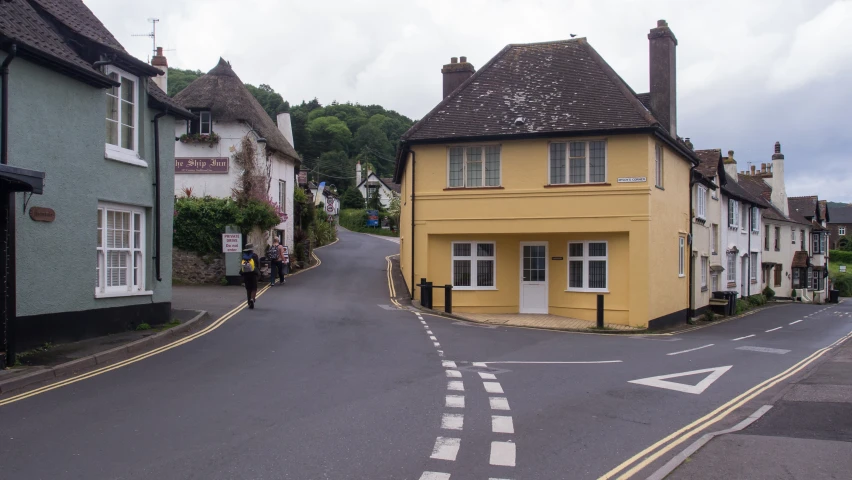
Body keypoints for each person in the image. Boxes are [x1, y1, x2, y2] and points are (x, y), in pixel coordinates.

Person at [240, 243, 260, 309]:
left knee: (248, 288)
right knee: (254, 288)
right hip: (253, 274)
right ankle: (252, 299)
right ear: (252, 249)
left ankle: (249, 302)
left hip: (245, 274)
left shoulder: (243, 256)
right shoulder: (255, 256)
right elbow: (257, 265)